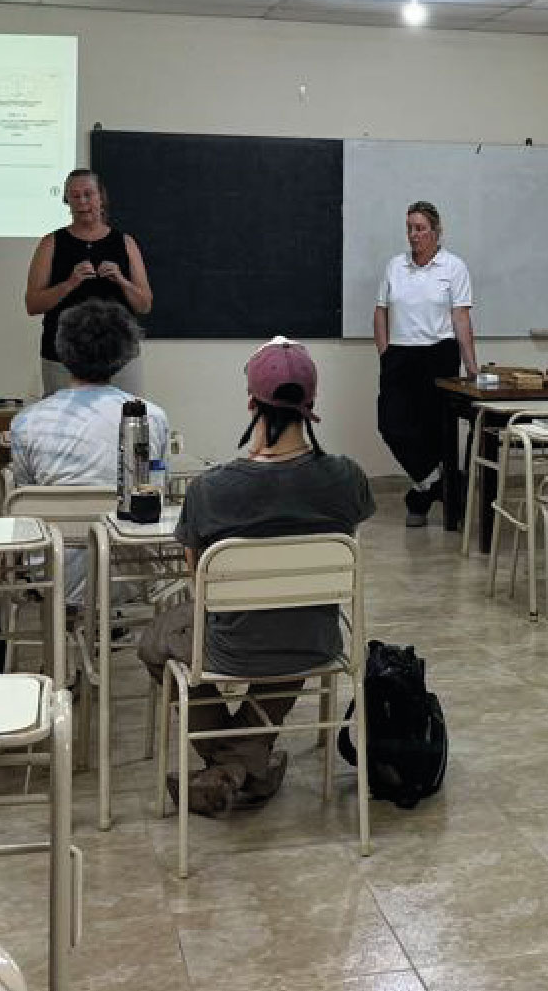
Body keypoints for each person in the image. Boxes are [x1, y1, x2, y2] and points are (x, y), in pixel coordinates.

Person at [138, 338, 374, 817]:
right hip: (317, 638)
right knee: (286, 627)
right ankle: (246, 765)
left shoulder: (211, 489)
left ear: (251, 403)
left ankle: (227, 766)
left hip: (234, 647)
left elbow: (196, 578)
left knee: (157, 640)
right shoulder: (347, 477)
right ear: (312, 406)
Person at [9, 301, 172, 610]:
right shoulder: (152, 417)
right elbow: (155, 489)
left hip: (53, 571)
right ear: (124, 353)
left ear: (62, 349)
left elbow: (26, 502)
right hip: (131, 569)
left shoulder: (27, 422)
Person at [373, 200, 477, 528]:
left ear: (435, 231)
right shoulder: (395, 266)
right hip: (401, 355)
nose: (413, 235)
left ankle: (420, 498)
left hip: (439, 354)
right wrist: (385, 352)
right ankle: (441, 485)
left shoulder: (454, 267)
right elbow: (380, 311)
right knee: (391, 424)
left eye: (419, 228)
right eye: (409, 229)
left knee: (436, 430)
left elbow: (460, 317)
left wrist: (471, 366)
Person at [26, 168, 152, 397]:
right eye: (75, 196)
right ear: (67, 201)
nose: (83, 202)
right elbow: (32, 304)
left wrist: (122, 281)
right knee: (63, 424)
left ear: (101, 197)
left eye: (88, 194)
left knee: (127, 420)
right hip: (62, 358)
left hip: (120, 355)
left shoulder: (125, 243)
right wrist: (69, 283)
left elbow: (144, 304)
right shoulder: (51, 243)